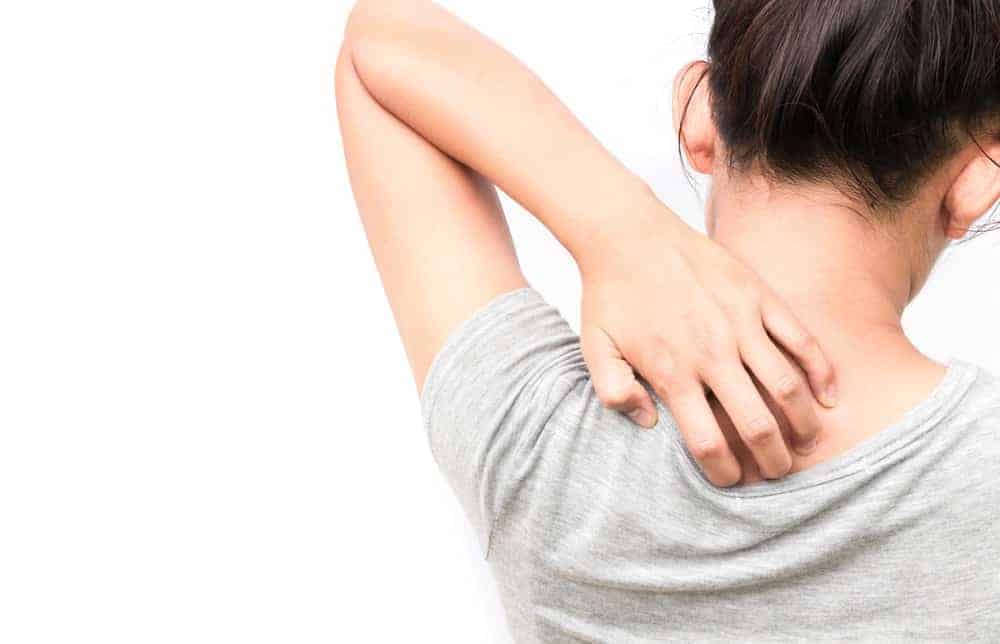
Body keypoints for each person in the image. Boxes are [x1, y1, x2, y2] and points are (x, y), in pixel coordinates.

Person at [337, 0, 1000, 639]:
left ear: (699, 115)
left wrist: (618, 227)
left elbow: (381, 41)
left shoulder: (543, 444)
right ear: (978, 180)